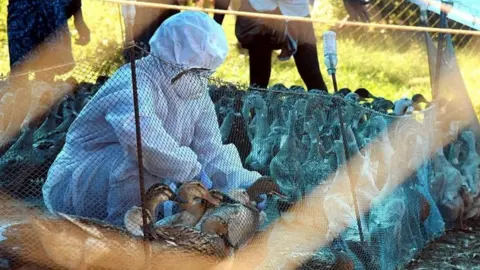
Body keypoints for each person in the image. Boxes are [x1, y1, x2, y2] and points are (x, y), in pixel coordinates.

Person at [43, 11, 263, 226]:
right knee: (143, 163)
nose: (202, 79)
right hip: (79, 184)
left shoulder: (194, 89)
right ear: (172, 60)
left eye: (207, 72)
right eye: (197, 71)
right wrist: (196, 172)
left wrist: (247, 185)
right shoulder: (133, 81)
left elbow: (211, 151)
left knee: (175, 185)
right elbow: (145, 144)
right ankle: (125, 232)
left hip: (141, 184)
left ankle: (150, 226)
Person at [214, 0, 329, 92]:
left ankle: (329, 116)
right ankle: (256, 117)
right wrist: (215, 27)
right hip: (259, 16)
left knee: (312, 75)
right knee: (258, 84)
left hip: (297, 14)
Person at [7, 0, 90, 83]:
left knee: (41, 68)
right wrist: (78, 18)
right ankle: (23, 89)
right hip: (26, 10)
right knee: (21, 70)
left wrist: (79, 19)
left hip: (42, 10)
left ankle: (42, 89)